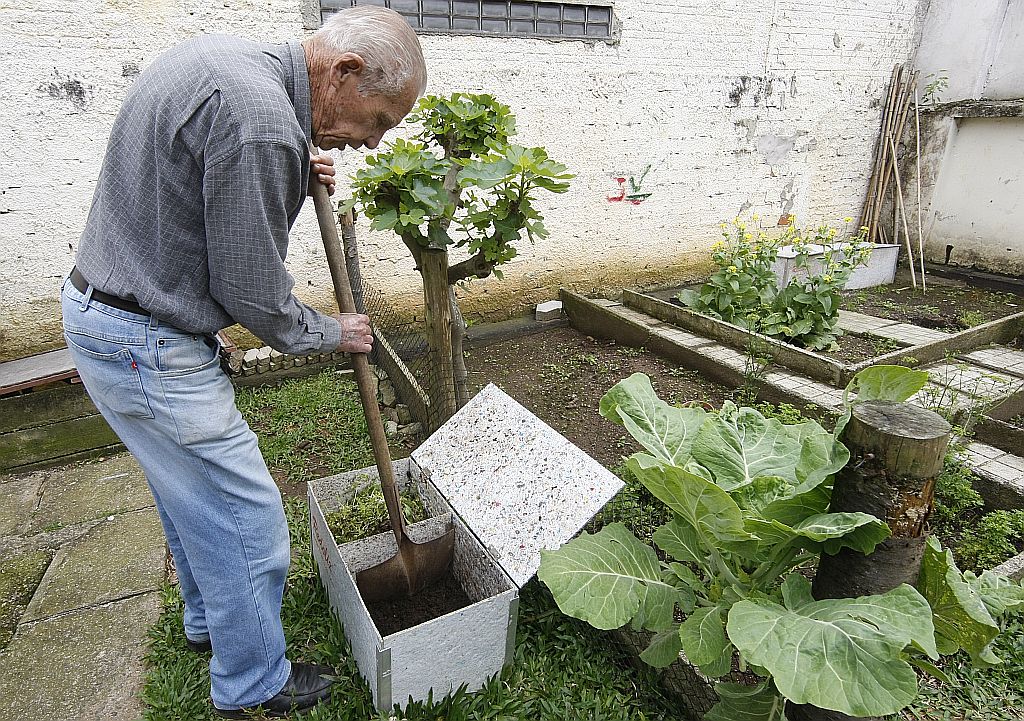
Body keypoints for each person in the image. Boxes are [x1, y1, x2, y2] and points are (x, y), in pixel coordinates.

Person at [59, 7, 426, 718]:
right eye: (377, 120)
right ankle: (252, 683)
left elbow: (206, 186)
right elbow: (251, 292)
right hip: (144, 341)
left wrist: (295, 157)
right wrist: (330, 331)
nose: (372, 142)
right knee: (245, 516)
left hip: (109, 316)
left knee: (186, 492)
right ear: (344, 74)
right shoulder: (261, 121)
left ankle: (207, 623)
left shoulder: (239, 68)